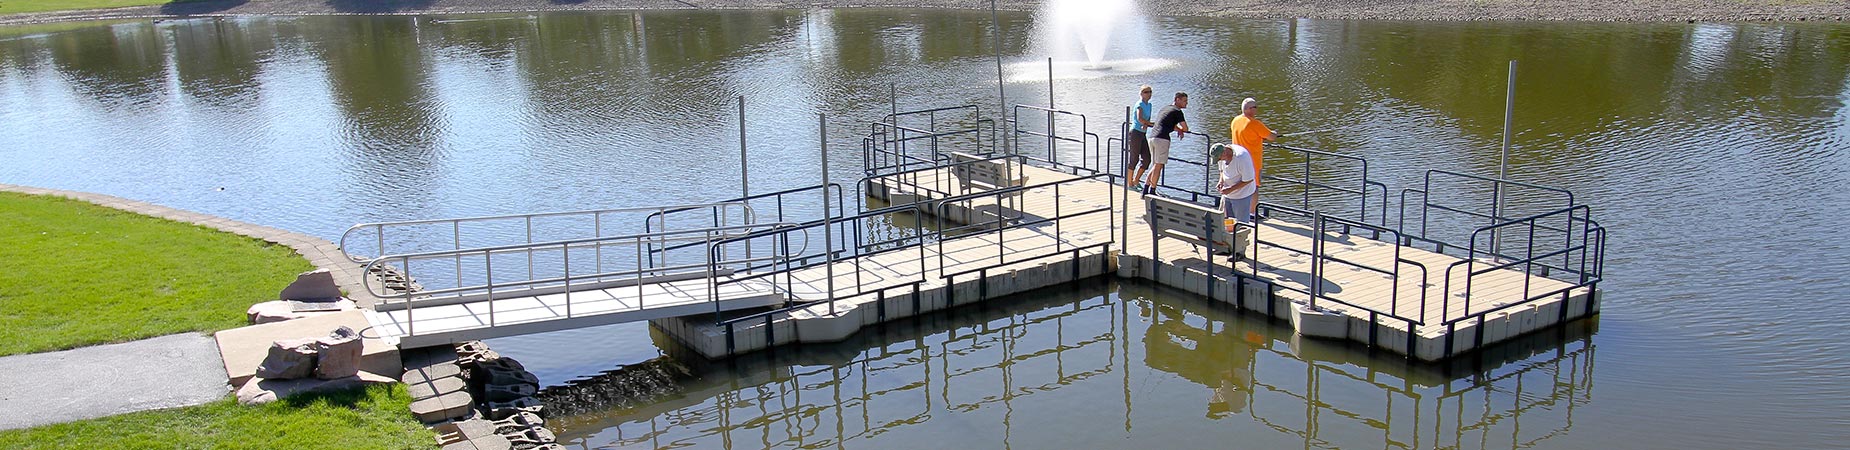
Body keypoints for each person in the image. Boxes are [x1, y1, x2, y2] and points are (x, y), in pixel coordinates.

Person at [1228, 97, 1278, 216]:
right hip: (1252, 161)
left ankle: (1238, 210)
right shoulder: (1254, 123)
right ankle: (1251, 213)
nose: (1257, 110)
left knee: (1239, 184)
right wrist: (1275, 133)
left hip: (1237, 158)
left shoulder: (1235, 120)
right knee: (1254, 186)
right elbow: (1271, 137)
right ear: (1249, 109)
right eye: (1255, 107)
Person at [1214, 143, 1257, 261]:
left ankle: (1240, 252)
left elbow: (1248, 179)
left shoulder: (1242, 158)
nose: (1219, 160)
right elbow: (1222, 171)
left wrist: (1230, 189)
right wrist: (1221, 181)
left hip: (1242, 194)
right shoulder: (1221, 155)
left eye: (1219, 158)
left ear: (1225, 153)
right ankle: (1227, 248)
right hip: (1228, 194)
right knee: (1227, 221)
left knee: (1241, 224)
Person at [1143, 92, 1190, 196]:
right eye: (1184, 101)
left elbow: (1166, 122)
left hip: (1152, 137)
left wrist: (1177, 129)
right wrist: (1181, 130)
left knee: (1155, 165)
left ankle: (1145, 190)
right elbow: (1186, 128)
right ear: (1177, 99)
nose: (1186, 103)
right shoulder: (1177, 111)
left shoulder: (1165, 109)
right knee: (1158, 166)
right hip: (1162, 139)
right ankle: (1152, 191)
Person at [1126, 86, 1156, 192]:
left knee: (1147, 158)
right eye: (1146, 92)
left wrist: (1147, 124)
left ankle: (1136, 180)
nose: (1149, 94)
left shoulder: (1149, 105)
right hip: (1135, 133)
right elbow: (1139, 118)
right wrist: (1149, 124)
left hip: (1143, 133)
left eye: (1150, 92)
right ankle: (1129, 183)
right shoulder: (1139, 105)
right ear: (1141, 93)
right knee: (1134, 158)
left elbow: (1146, 120)